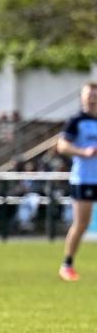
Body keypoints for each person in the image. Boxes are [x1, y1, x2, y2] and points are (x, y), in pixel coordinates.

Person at [56, 81, 97, 282]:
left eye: (95, 95)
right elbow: (62, 146)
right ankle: (67, 264)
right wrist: (83, 152)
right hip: (84, 179)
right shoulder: (76, 121)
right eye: (89, 95)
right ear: (82, 97)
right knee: (82, 224)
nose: (92, 98)